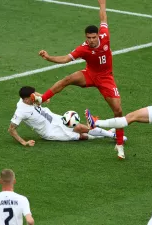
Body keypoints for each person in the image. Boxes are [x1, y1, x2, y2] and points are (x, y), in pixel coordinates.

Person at [32, 0, 126, 158]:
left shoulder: (105, 36)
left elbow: (103, 19)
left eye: (93, 37)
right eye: (88, 37)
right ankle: (43, 98)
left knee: (118, 110)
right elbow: (65, 59)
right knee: (68, 79)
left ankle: (119, 143)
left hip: (106, 78)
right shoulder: (83, 49)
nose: (91, 40)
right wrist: (48, 57)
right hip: (90, 74)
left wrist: (102, 4)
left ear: (98, 36)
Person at [8, 86, 126, 146]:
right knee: (81, 137)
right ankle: (104, 135)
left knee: (80, 127)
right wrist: (24, 142)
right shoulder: (20, 112)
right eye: (32, 97)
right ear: (26, 99)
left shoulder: (28, 97)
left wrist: (44, 97)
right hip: (50, 132)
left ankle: (113, 136)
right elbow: (11, 129)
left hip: (55, 118)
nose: (35, 97)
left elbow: (36, 94)